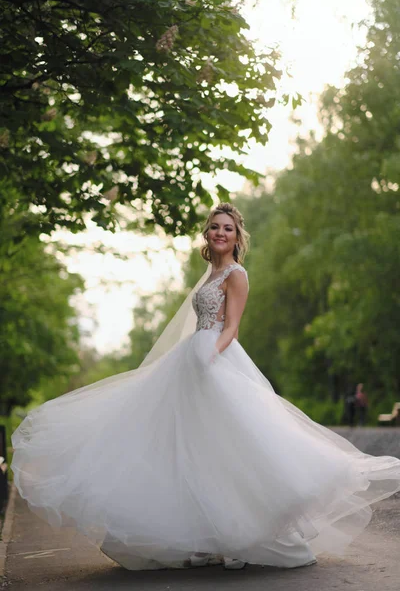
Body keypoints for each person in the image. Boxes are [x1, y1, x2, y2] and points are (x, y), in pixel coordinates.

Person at [11, 203, 400, 572]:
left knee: (228, 445)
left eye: (227, 228)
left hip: (214, 358)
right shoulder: (211, 275)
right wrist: (193, 356)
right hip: (190, 359)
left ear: (237, 237)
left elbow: (231, 327)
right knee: (186, 447)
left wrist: (208, 357)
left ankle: (239, 535)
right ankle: (201, 538)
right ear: (207, 234)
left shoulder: (236, 275)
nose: (220, 232)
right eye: (215, 226)